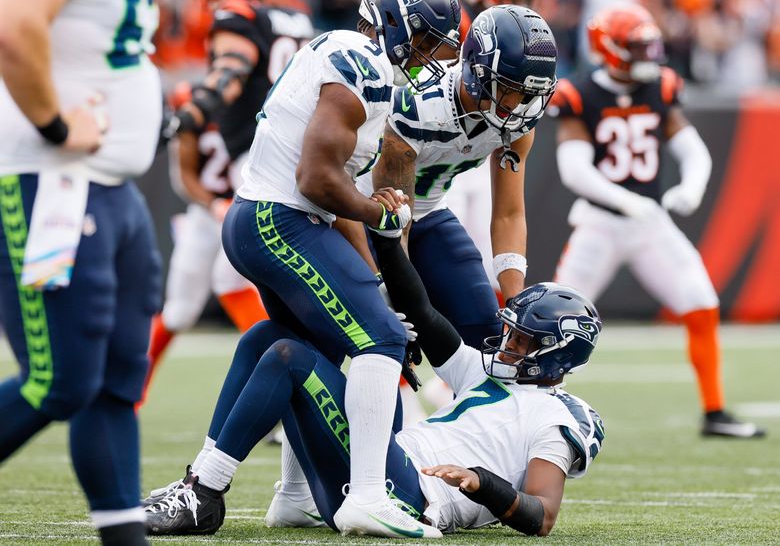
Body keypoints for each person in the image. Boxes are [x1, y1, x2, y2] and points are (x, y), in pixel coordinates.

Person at [0, 0, 240, 543]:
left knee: (114, 381)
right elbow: (13, 20)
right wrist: (55, 122)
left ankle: (122, 535)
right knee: (59, 381)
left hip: (108, 190)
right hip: (53, 183)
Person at [142, 229, 604, 538]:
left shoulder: (557, 418)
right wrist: (386, 238)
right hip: (378, 471)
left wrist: (480, 482)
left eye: (522, 341)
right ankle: (292, 498)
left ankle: (206, 492)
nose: (507, 345)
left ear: (557, 354)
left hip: (409, 495)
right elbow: (422, 312)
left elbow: (542, 515)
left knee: (290, 358)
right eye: (509, 332)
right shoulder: (483, 372)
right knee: (270, 334)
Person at [216, 0, 460, 537]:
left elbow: (335, 195)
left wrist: (371, 279)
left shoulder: (355, 56)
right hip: (281, 217)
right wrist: (384, 210)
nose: (428, 52)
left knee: (311, 345)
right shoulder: (363, 65)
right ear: (396, 22)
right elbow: (318, 181)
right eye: (424, 36)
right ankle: (367, 496)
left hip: (276, 218)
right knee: (382, 338)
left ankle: (275, 492)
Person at [548, 2, 765, 439]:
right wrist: (625, 201)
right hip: (600, 224)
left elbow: (691, 147)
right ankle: (542, 409)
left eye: (649, 46)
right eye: (637, 47)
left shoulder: (660, 87)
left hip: (651, 223)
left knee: (701, 302)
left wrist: (692, 187)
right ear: (610, 50)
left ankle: (714, 410)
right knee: (557, 317)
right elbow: (575, 168)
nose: (649, 56)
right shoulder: (581, 93)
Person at [143, 0, 315, 400]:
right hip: (295, 160)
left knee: (240, 278)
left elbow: (231, 74)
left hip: (259, 163)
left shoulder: (237, 15)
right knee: (231, 285)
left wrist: (195, 110)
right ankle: (288, 384)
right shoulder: (295, 18)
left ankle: (290, 385)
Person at [365, 4, 557, 349]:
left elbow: (509, 214)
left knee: (487, 336)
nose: (520, 105)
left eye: (531, 94)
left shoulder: (518, 123)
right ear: (476, 71)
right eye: (510, 88)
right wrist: (401, 295)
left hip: (428, 212)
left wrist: (516, 303)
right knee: (387, 336)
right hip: (368, 214)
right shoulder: (421, 107)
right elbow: (395, 220)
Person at [139, 84, 267, 405]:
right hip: (205, 218)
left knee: (243, 288)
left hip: (246, 208)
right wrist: (214, 206)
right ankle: (132, 392)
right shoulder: (194, 115)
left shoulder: (251, 107)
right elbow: (185, 177)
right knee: (179, 313)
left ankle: (277, 381)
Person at [447, 0, 542, 301]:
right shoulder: (458, 21)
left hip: (484, 147)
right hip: (442, 148)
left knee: (490, 263)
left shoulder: (517, 29)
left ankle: (497, 343)